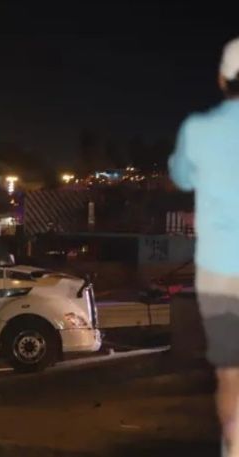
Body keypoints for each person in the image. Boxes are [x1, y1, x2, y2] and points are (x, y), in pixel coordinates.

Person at [168, 36, 239, 456]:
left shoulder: (197, 129)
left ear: (222, 80)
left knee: (230, 373)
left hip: (220, 270)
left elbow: (181, 176)